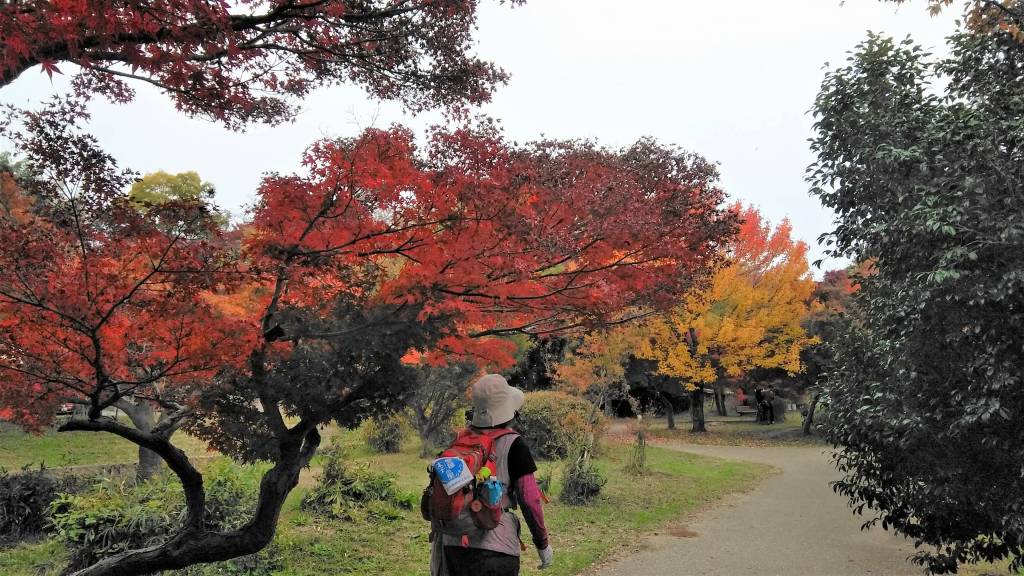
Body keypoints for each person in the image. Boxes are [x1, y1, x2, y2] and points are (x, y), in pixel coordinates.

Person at [430, 373, 553, 576]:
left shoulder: (460, 442)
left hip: (452, 547)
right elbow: (530, 500)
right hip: (496, 552)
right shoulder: (515, 444)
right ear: (510, 411)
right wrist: (542, 544)